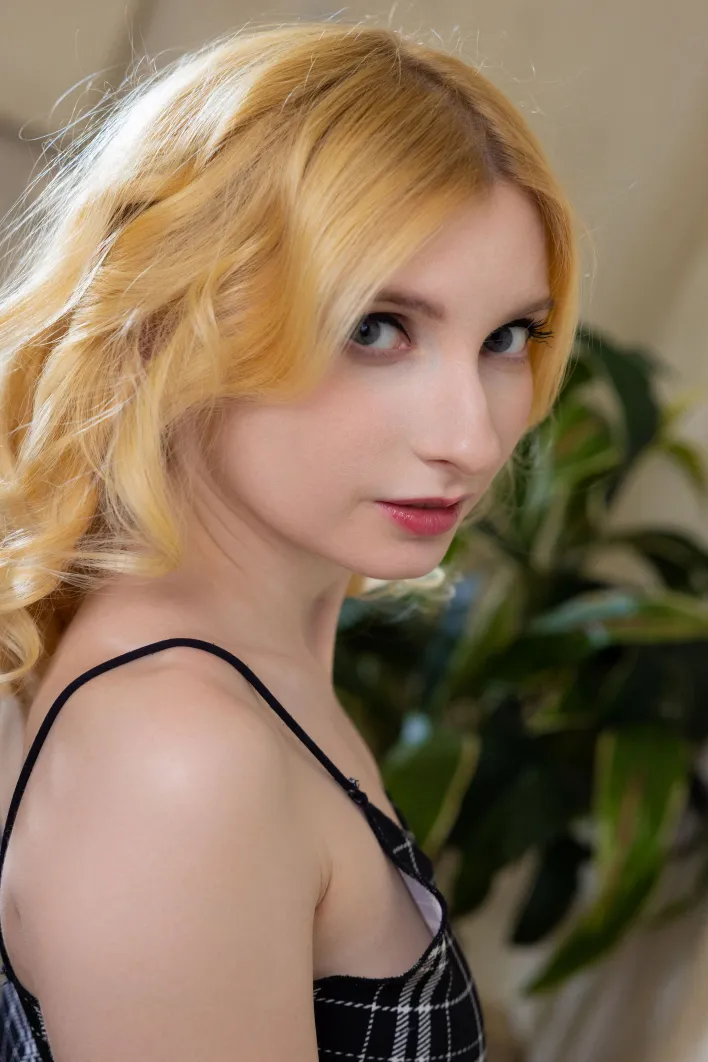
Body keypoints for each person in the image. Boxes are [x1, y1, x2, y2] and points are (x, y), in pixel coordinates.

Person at [0, 19, 579, 1061]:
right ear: (176, 313)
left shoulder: (247, 664)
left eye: (505, 338)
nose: (473, 437)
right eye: (377, 328)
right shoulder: (179, 759)